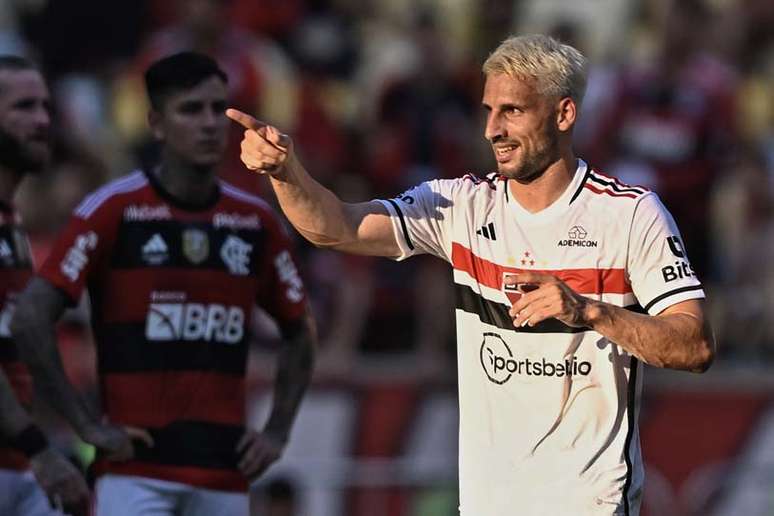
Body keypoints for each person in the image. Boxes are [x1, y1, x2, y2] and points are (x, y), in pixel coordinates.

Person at [227, 34, 715, 515]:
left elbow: (693, 346)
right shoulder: (460, 204)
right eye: (488, 111)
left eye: (513, 111)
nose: (492, 130)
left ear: (564, 114)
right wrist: (286, 174)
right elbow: (336, 227)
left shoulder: (630, 215)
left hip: (588, 503)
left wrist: (587, 310)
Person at [12, 52, 317, 516]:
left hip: (224, 476)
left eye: (218, 109)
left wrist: (277, 430)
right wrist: (87, 426)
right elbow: (31, 316)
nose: (210, 124)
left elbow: (300, 329)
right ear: (156, 123)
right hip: (134, 476)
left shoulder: (255, 222)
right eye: (191, 110)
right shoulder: (112, 211)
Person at [0, 55, 89, 516]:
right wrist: (41, 450)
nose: (42, 121)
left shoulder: (12, 225)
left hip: (18, 462)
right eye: (24, 107)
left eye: (46, 107)